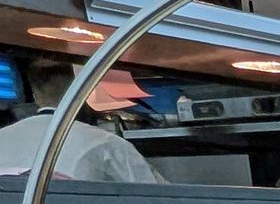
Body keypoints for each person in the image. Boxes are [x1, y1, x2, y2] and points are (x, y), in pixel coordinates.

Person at [0, 56, 162, 183]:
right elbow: (158, 199)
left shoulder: (3, 137)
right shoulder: (106, 143)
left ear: (35, 95)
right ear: (84, 91)